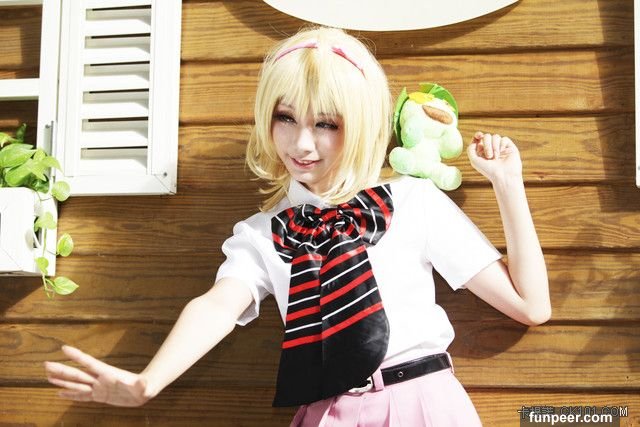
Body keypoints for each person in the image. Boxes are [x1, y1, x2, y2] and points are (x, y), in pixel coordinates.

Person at [44, 26, 551, 426]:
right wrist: (149, 380)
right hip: (326, 413)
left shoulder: (414, 202)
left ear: (362, 124)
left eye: (326, 123)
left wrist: (508, 184)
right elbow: (218, 305)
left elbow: (531, 305)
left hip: (422, 405)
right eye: (286, 118)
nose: (301, 143)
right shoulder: (263, 233)